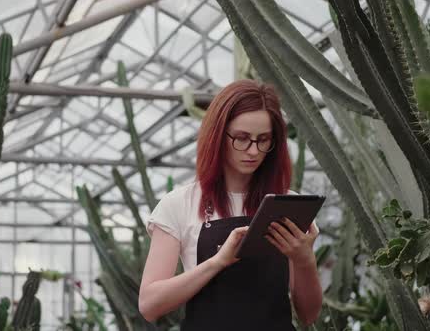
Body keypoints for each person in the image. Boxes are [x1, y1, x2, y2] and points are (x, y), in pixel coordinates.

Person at [138, 79, 322, 330]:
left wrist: (304, 261)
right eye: (242, 138)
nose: (253, 151)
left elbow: (308, 314)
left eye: (263, 139)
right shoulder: (179, 204)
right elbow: (150, 305)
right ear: (217, 135)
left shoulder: (288, 204)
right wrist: (218, 261)